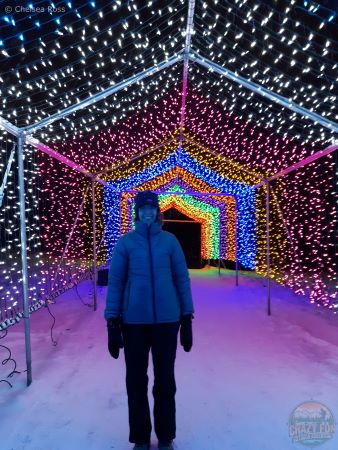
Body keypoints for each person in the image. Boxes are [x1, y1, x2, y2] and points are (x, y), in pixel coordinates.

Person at [104, 190, 194, 450]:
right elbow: (116, 283)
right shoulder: (126, 244)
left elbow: (181, 280)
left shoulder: (170, 242)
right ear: (136, 212)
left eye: (151, 208)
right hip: (134, 324)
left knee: (165, 380)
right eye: (142, 208)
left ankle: (165, 436)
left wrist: (186, 318)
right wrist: (112, 321)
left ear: (157, 211)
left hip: (167, 322)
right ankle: (141, 438)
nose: (147, 212)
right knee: (136, 380)